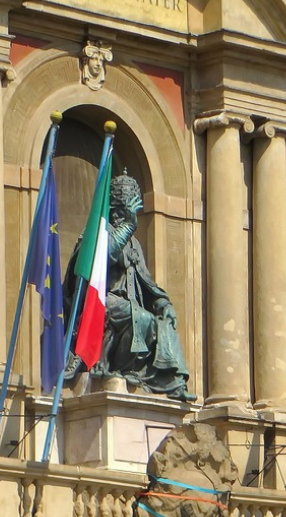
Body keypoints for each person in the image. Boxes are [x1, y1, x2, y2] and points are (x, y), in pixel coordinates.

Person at [64, 172, 194, 401]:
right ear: (116, 211)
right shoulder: (96, 234)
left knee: (161, 321)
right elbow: (100, 261)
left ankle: (172, 381)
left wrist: (163, 303)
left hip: (128, 304)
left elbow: (146, 282)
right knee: (141, 319)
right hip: (101, 301)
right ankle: (119, 368)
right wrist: (127, 228)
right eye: (128, 210)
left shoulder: (134, 243)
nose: (132, 215)